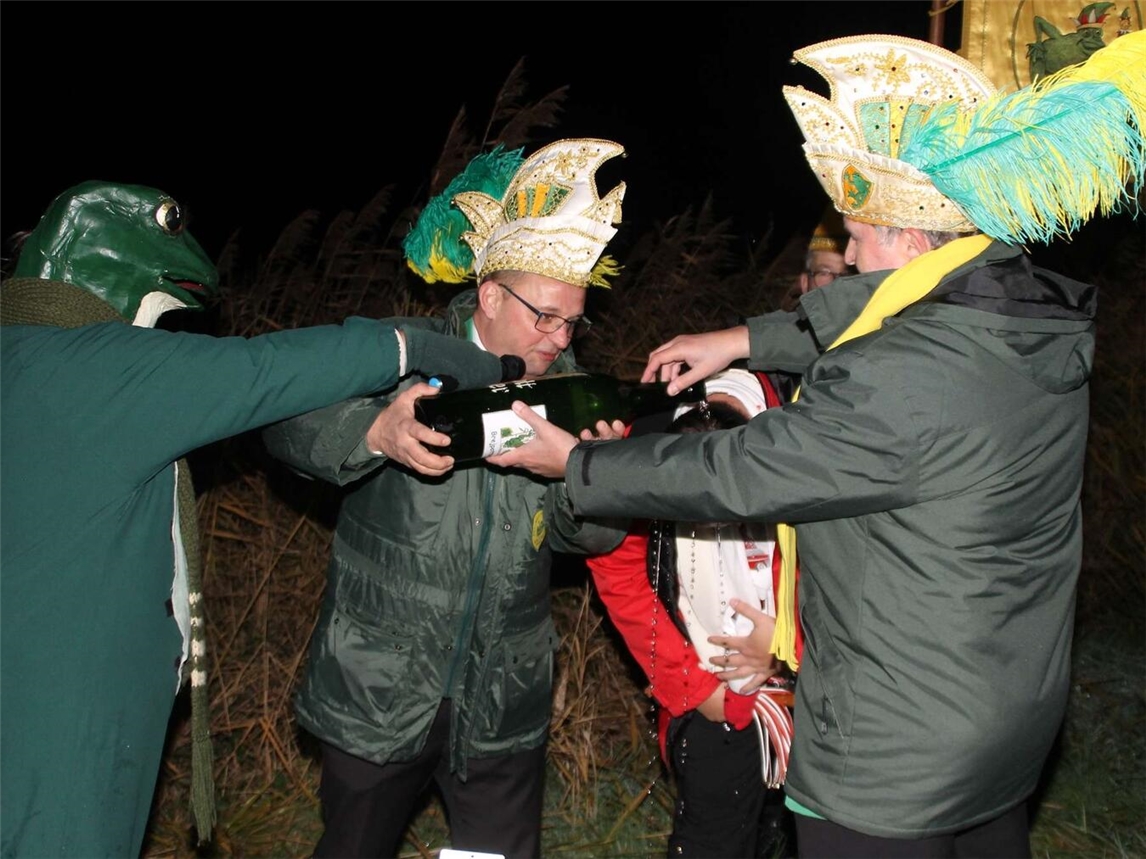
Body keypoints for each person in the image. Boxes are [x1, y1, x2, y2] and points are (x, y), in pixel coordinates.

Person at [489, 33, 1145, 858]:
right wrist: (741, 338)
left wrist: (577, 464)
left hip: (900, 746)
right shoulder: (1019, 325)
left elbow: (742, 469)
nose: (851, 249)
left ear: (910, 240)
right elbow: (885, 316)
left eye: (861, 235)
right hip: (1008, 714)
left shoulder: (896, 377)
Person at [0, 181, 518, 859]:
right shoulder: (99, 368)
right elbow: (266, 372)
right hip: (66, 723)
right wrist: (416, 345)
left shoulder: (22, 354)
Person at [261, 139, 630, 859]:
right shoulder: (402, 350)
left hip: (502, 701)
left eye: (573, 321)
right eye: (545, 316)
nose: (560, 338)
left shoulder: (568, 393)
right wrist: (373, 429)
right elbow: (281, 416)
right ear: (490, 294)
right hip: (381, 689)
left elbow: (582, 541)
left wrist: (590, 478)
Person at [585, 368, 800, 858]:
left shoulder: (804, 431)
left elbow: (850, 563)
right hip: (711, 690)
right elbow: (617, 571)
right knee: (712, 838)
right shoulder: (647, 444)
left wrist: (786, 640)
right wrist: (692, 687)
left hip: (818, 692)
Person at [779, 206, 855, 312]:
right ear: (805, 282)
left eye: (846, 275)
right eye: (824, 273)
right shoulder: (777, 327)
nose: (835, 284)